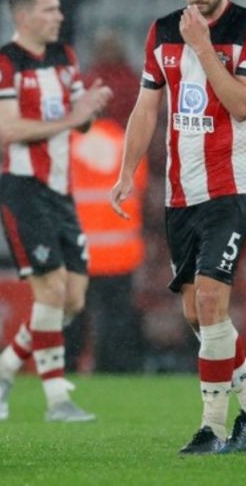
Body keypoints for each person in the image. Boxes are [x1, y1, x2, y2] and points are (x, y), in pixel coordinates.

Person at [111, 0, 246, 455]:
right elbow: (145, 108)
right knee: (196, 313)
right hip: (181, 192)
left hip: (231, 186)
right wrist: (126, 172)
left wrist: (204, 49)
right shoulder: (162, 31)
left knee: (211, 299)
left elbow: (245, 103)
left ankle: (213, 427)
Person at [0, 0, 111, 423]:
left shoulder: (64, 57)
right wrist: (74, 115)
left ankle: (4, 367)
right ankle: (57, 400)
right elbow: (10, 130)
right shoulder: (2, 64)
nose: (59, 16)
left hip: (60, 192)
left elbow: (80, 124)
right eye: (49, 10)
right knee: (50, 289)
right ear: (23, 16)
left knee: (71, 300)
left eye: (58, 9)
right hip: (23, 189)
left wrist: (89, 108)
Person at [64, 117, 147, 373]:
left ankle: (67, 370)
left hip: (77, 253)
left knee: (71, 320)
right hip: (119, 254)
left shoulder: (64, 145)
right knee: (116, 320)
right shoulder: (124, 142)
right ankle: (114, 371)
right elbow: (139, 184)